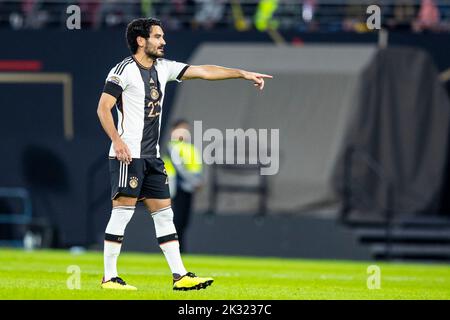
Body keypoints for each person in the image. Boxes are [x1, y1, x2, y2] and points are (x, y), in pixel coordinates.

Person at [96, 17, 272, 291]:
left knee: (165, 215)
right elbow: (103, 108)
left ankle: (180, 276)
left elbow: (205, 71)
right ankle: (109, 277)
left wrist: (242, 73)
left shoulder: (163, 68)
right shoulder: (123, 71)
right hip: (128, 155)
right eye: (157, 36)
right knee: (122, 214)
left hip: (152, 157)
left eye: (162, 36)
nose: (163, 41)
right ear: (141, 41)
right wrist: (117, 141)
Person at [165, 119, 203, 253]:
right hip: (177, 187)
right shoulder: (172, 147)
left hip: (189, 188)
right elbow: (179, 168)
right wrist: (195, 181)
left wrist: (197, 181)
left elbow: (196, 167)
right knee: (177, 219)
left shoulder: (191, 148)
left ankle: (179, 248)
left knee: (184, 220)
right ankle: (174, 248)